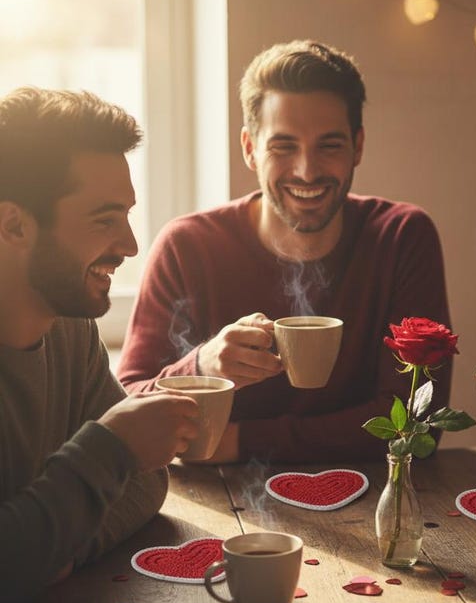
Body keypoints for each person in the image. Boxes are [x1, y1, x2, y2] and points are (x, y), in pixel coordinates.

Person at [117, 40, 451, 463]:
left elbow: (418, 422)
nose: (307, 170)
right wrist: (202, 366)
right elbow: (127, 407)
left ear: (358, 146)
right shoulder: (188, 246)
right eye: (283, 146)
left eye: (329, 145)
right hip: (221, 502)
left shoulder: (402, 237)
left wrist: (237, 442)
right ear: (250, 148)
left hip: (372, 496)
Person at [0, 88, 199, 603]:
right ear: (13, 224)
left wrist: (44, 552)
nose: (131, 245)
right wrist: (108, 450)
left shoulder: (71, 326)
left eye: (128, 216)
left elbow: (146, 480)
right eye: (103, 219)